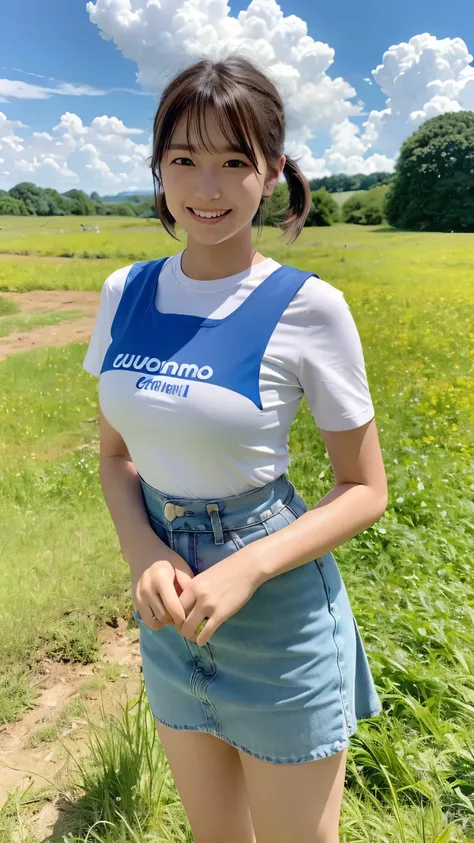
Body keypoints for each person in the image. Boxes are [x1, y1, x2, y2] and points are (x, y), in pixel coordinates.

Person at [83, 52, 388, 843]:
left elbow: (364, 487)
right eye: (184, 160)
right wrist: (142, 548)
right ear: (158, 167)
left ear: (272, 170)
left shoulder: (309, 309)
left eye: (233, 161)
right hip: (170, 612)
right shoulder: (125, 292)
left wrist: (248, 565)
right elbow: (116, 457)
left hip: (274, 605)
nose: (206, 189)